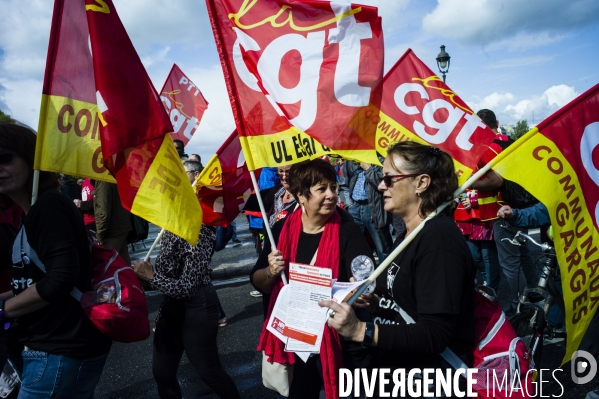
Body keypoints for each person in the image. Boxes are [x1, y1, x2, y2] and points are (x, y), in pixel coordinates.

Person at [320, 141, 476, 393]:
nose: (382, 185)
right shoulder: (410, 232)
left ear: (421, 183)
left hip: (428, 382)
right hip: (399, 373)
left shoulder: (438, 238)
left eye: (390, 179)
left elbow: (434, 334)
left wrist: (361, 330)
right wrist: (374, 301)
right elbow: (406, 299)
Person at [0, 122, 111, 398]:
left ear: (30, 158)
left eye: (5, 158)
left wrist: (5, 309)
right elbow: (36, 279)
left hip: (59, 352)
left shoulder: (48, 206)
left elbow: (60, 279)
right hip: (60, 348)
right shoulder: (35, 210)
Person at [250, 159, 375, 399]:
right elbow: (259, 281)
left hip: (336, 340)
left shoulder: (347, 230)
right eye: (321, 189)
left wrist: (363, 291)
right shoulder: (280, 230)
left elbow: (366, 282)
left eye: (333, 187)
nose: (331, 195)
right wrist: (270, 272)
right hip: (294, 339)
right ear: (301, 195)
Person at [131, 162, 240, 399]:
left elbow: (187, 287)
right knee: (162, 372)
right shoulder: (171, 225)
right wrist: (145, 275)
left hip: (197, 307)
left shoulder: (199, 229)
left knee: (209, 372)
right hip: (172, 307)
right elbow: (167, 276)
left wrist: (151, 276)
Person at [474, 109, 537, 313]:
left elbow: (491, 176)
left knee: (510, 264)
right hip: (514, 208)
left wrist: (466, 181)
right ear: (497, 121)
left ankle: (522, 307)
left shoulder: (492, 145)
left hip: (502, 212)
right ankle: (538, 299)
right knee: (524, 256)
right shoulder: (507, 141)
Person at [340, 159, 393, 262]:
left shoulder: (381, 159)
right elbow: (343, 184)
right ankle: (360, 274)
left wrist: (368, 169)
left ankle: (385, 276)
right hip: (354, 207)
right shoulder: (350, 160)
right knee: (354, 246)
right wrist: (349, 204)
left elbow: (384, 185)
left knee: (383, 247)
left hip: (374, 208)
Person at [93, 181, 132, 265]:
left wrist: (100, 235)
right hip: (121, 227)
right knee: (124, 264)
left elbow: (103, 212)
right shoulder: (109, 176)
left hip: (112, 231)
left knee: (107, 266)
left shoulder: (102, 181)